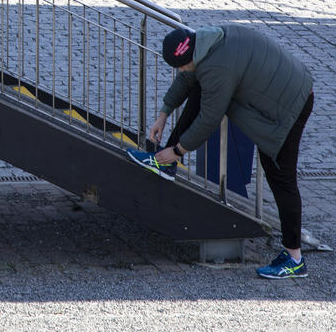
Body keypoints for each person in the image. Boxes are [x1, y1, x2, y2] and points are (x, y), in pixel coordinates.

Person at [126, 24, 315, 280]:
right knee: (198, 86)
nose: (180, 71)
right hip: (287, 86)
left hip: (292, 102)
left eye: (181, 66)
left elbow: (209, 119)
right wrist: (163, 114)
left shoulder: (217, 68)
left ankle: (294, 259)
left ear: (189, 57)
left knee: (281, 178)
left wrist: (178, 151)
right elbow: (187, 79)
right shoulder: (204, 44)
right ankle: (165, 163)